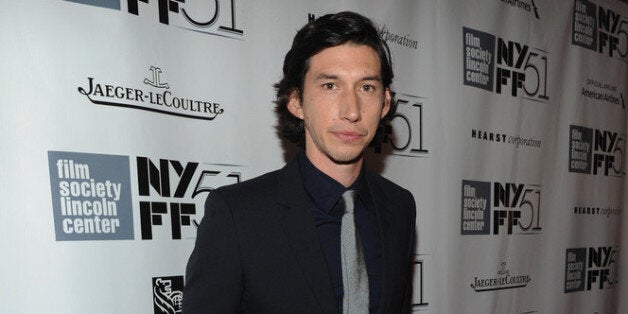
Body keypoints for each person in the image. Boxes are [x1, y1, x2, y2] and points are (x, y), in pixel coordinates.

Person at [183, 11, 416, 314]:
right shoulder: (237, 215)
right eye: (330, 86)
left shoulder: (399, 207)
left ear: (384, 103)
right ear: (296, 101)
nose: (351, 110)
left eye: (366, 88)